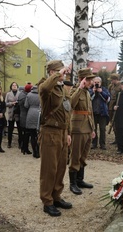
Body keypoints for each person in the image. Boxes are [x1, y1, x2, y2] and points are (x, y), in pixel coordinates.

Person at [39, 60, 72, 217]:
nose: (63, 74)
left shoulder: (62, 89)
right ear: (51, 72)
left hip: (62, 133)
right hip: (50, 132)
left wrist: (68, 133)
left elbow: (67, 112)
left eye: (62, 71)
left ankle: (56, 196)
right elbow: (45, 88)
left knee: (60, 168)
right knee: (49, 169)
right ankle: (47, 201)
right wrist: (59, 74)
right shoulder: (46, 88)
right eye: (59, 71)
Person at [69, 68, 96, 195]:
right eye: (89, 79)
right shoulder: (76, 90)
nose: (91, 82)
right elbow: (71, 104)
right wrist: (79, 88)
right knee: (75, 155)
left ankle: (80, 180)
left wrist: (93, 128)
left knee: (83, 156)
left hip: (87, 127)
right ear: (82, 79)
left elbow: (90, 111)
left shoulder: (87, 92)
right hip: (78, 128)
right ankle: (72, 183)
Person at [89, 76, 110, 150]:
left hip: (102, 113)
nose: (96, 84)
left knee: (102, 129)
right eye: (95, 82)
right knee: (93, 129)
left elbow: (107, 99)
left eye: (98, 82)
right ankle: (94, 143)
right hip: (93, 113)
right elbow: (88, 99)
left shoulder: (104, 90)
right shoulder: (90, 89)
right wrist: (93, 92)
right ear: (93, 83)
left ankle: (102, 144)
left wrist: (101, 92)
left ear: (101, 83)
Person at [24, 85, 40, 158]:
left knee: (32, 135)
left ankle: (34, 152)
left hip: (31, 113)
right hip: (39, 113)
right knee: (39, 135)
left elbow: (26, 105)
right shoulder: (41, 94)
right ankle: (39, 151)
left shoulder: (29, 95)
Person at [5, 82, 22, 149]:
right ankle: (9, 142)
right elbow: (5, 103)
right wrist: (11, 103)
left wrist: (18, 103)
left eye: (15, 85)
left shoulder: (20, 93)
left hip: (18, 113)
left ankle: (20, 143)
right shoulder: (8, 94)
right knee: (10, 129)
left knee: (19, 129)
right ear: (11, 86)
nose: (14, 86)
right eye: (13, 85)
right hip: (11, 112)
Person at [18, 84, 32, 155]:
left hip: (22, 115)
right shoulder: (25, 97)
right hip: (26, 116)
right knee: (26, 133)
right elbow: (27, 106)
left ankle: (23, 147)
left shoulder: (21, 95)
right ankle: (25, 148)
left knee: (24, 133)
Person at [107, 73, 121, 144]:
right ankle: (116, 139)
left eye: (112, 80)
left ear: (116, 79)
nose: (111, 81)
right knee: (112, 123)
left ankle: (119, 139)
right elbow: (108, 96)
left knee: (117, 124)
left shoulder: (120, 86)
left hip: (117, 107)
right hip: (110, 107)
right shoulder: (110, 86)